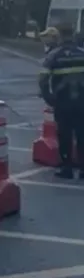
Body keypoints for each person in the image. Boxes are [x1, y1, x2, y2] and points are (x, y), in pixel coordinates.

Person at [38, 23, 84, 179]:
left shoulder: (54, 55)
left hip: (62, 101)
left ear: (60, 37)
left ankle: (67, 168)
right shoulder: (82, 53)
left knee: (65, 135)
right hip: (81, 101)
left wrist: (49, 97)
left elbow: (43, 79)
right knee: (82, 133)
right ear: (73, 35)